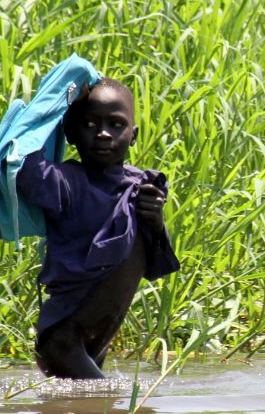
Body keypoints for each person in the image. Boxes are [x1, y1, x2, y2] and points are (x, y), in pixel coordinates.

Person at [15, 77, 180, 379]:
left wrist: (156, 220)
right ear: (72, 133)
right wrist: (50, 106)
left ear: (133, 135)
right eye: (89, 125)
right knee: (106, 409)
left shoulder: (141, 186)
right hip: (64, 340)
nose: (103, 134)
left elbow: (157, 263)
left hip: (96, 339)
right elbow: (26, 169)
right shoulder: (66, 182)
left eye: (116, 125)